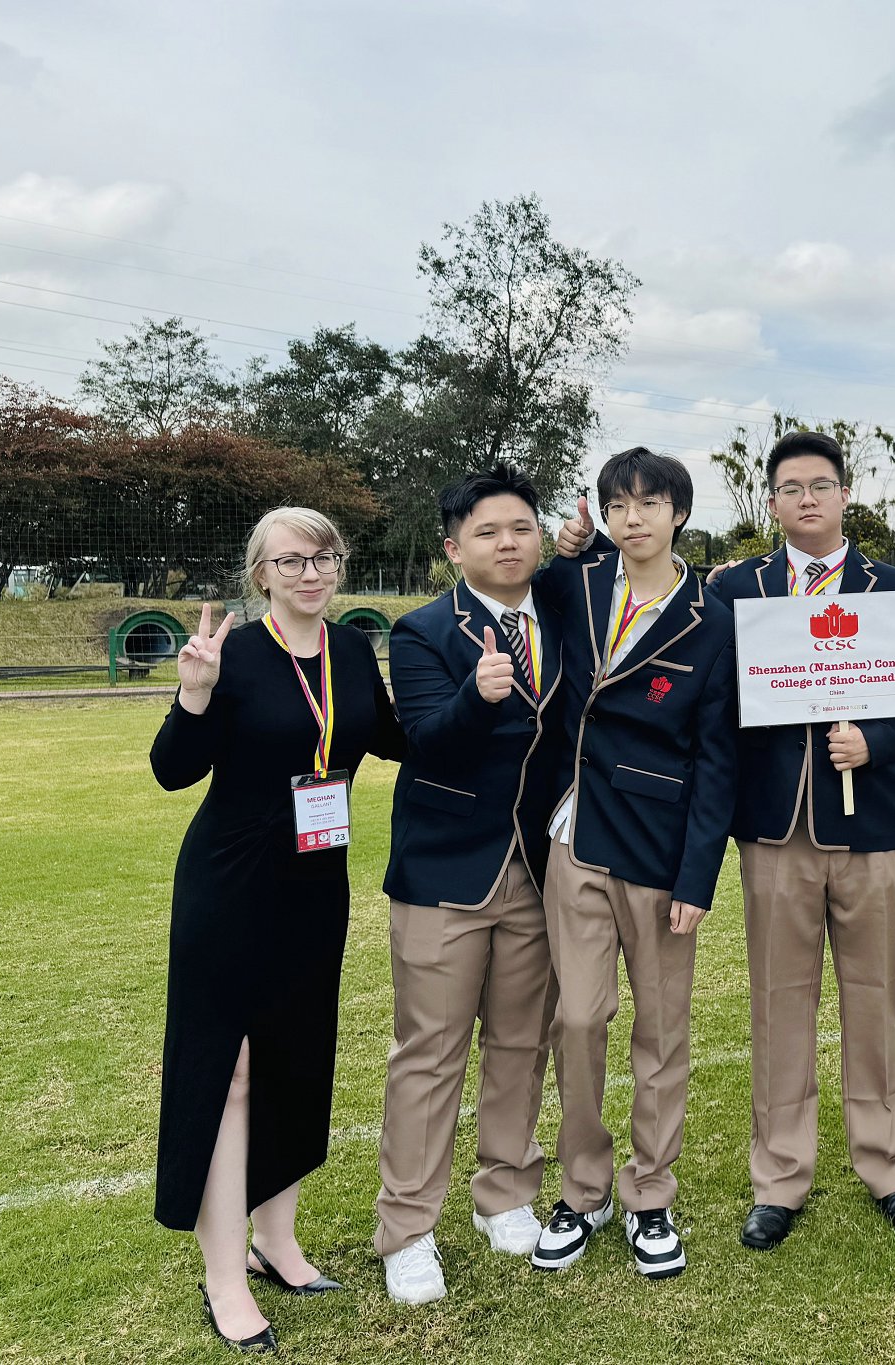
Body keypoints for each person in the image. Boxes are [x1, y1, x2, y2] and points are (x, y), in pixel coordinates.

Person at [149, 507, 404, 1352]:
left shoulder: (354, 650)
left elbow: (399, 736)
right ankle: (223, 1274)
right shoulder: (236, 653)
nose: (310, 571)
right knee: (230, 1073)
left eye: (324, 557)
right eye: (291, 559)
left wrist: (480, 701)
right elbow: (172, 770)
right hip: (230, 883)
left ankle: (276, 1240)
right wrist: (193, 692)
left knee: (297, 1059)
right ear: (261, 572)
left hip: (314, 883)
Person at [700, 429, 895, 1250]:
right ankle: (780, 1174)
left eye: (821, 485)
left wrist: (875, 742)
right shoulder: (734, 587)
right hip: (775, 827)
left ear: (846, 495)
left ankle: (886, 1164)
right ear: (770, 502)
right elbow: (713, 696)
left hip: (869, 823)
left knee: (874, 996)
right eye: (790, 487)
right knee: (780, 1002)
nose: (806, 499)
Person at [373, 466, 597, 1302]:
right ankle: (407, 1228)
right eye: (489, 532)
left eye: (523, 528)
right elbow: (428, 739)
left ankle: (506, 1193)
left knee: (518, 1043)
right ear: (454, 547)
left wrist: (591, 539)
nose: (509, 543)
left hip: (541, 868)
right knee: (428, 1053)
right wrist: (476, 694)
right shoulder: (424, 630)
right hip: (445, 870)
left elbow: (628, 573)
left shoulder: (567, 607)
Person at [529, 447, 735, 1282]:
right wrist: (568, 547)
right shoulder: (577, 586)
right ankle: (584, 1190)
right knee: (578, 1018)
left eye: (649, 503)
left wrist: (697, 877)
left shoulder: (710, 615)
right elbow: (528, 590)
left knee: (661, 1031)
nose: (633, 518)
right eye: (619, 503)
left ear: (678, 512)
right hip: (573, 836)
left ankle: (651, 1194)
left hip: (658, 847)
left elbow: (720, 757)